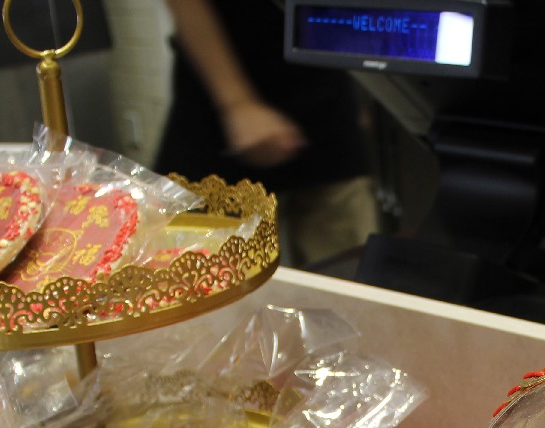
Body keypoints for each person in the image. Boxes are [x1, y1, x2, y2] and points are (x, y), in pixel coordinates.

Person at [155, 0, 378, 269]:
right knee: (202, 271)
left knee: (350, 268)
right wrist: (237, 104)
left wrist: (367, 84)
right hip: (219, 100)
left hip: (325, 93)